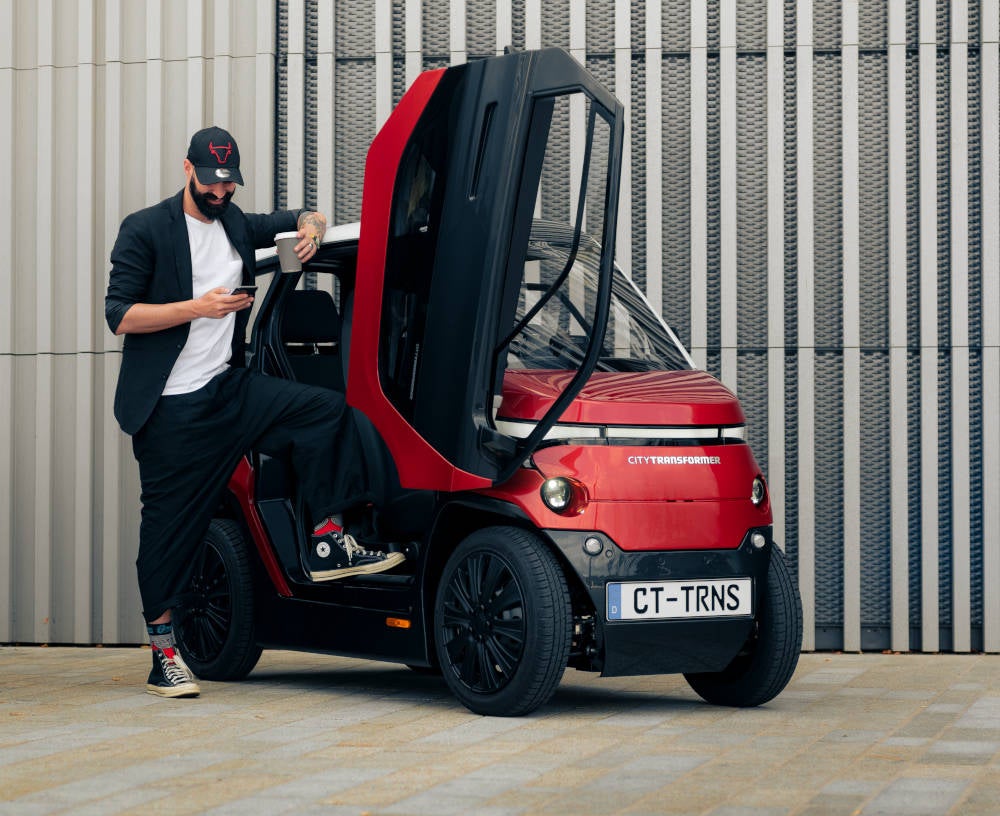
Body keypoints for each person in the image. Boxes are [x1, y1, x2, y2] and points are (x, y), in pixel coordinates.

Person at [106, 126, 404, 699]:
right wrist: (200, 308)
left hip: (226, 390)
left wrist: (313, 229)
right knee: (169, 533)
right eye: (212, 184)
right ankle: (164, 652)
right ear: (187, 170)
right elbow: (120, 315)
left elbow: (302, 214)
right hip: (170, 411)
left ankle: (324, 533)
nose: (221, 194)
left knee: (324, 413)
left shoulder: (236, 222)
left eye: (230, 184)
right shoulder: (145, 229)